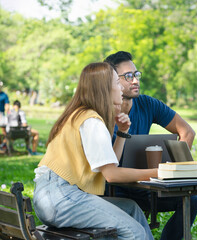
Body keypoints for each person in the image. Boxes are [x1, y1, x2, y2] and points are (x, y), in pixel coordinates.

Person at [33, 62, 156, 240]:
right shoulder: (92, 122)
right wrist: (158, 173)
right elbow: (112, 175)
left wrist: (121, 133)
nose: (120, 87)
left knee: (131, 208)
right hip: (61, 198)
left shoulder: (81, 114)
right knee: (134, 232)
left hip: (52, 197)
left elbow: (109, 163)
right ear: (104, 89)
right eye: (116, 82)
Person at [104, 51, 197, 240]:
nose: (135, 81)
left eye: (136, 74)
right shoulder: (99, 112)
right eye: (128, 76)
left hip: (145, 186)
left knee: (191, 201)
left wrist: (173, 169)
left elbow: (187, 132)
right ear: (111, 81)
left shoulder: (148, 104)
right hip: (111, 189)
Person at [0, 81, 10, 151]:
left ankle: (4, 145)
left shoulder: (4, 95)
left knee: (4, 131)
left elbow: (7, 105)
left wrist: (7, 112)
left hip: (1, 114)